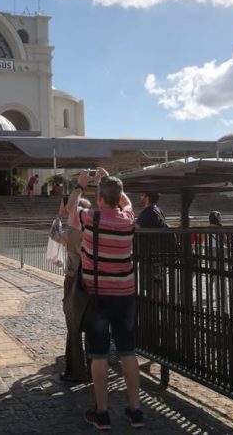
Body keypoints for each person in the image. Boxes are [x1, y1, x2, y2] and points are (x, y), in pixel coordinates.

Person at [68, 169, 144, 430]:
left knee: (99, 354)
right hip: (125, 295)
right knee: (128, 352)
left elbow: (71, 208)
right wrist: (109, 182)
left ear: (99, 198)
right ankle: (135, 410)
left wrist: (80, 186)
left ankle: (102, 412)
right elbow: (126, 202)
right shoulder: (128, 219)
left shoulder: (89, 217)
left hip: (98, 295)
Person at [51, 195, 91, 383]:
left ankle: (75, 371)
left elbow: (54, 235)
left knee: (73, 328)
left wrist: (59, 214)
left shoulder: (72, 233)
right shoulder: (91, 231)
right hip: (91, 281)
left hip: (73, 281)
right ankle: (93, 367)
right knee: (92, 326)